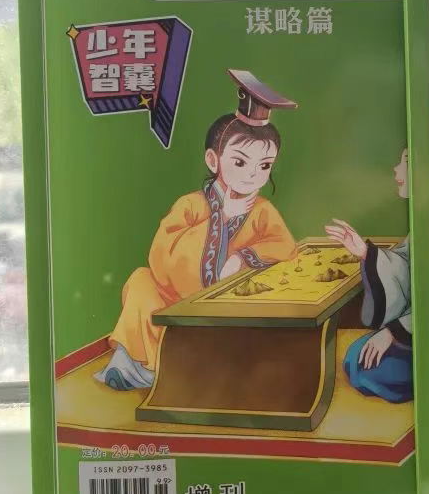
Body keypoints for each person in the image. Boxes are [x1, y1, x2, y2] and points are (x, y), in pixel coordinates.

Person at [98, 70, 298, 391]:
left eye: (264, 166)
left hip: (233, 301)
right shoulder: (191, 205)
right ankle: (142, 366)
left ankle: (180, 370)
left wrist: (242, 258)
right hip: (177, 298)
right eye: (240, 162)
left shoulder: (262, 210)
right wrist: (220, 219)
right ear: (213, 160)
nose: (252, 175)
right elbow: (162, 256)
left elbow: (284, 246)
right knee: (140, 281)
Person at [325, 148, 412, 404]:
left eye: (406, 162)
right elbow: (407, 267)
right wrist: (365, 252)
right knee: (356, 355)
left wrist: (393, 332)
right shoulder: (425, 219)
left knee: (365, 368)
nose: (396, 170)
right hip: (414, 327)